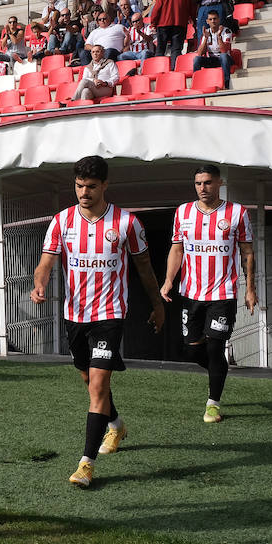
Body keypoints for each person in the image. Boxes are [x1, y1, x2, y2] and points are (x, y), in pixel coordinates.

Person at [30, 156, 165, 489]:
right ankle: (116, 425)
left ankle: (86, 465)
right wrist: (40, 284)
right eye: (79, 186)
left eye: (91, 186)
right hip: (75, 315)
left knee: (99, 386)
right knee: (90, 382)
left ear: (105, 185)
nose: (84, 192)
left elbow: (144, 268)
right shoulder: (61, 221)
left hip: (110, 314)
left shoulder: (126, 223)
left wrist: (157, 304)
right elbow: (45, 262)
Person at [158, 165, 256, 423]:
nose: (203, 187)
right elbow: (177, 249)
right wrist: (169, 281)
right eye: (199, 183)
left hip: (223, 293)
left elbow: (247, 253)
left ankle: (213, 403)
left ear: (219, 183)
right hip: (190, 293)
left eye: (208, 182)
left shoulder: (237, 213)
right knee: (192, 350)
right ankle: (219, 370)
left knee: (215, 347)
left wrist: (250, 289)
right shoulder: (183, 212)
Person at [151, 0, 194, 69]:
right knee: (176, 50)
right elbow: (192, 9)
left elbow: (157, 8)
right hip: (179, 25)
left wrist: (153, 23)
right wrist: (193, 21)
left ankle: (158, 70)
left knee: (160, 49)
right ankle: (175, 70)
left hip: (163, 24)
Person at [192, 10, 235, 88]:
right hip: (212, 59)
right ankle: (196, 85)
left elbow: (224, 50)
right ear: (207, 21)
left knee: (223, 56)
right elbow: (200, 53)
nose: (213, 21)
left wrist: (219, 37)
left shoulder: (226, 31)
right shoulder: (206, 32)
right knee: (197, 59)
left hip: (225, 60)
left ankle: (226, 84)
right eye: (210, 19)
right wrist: (205, 38)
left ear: (219, 19)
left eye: (215, 19)